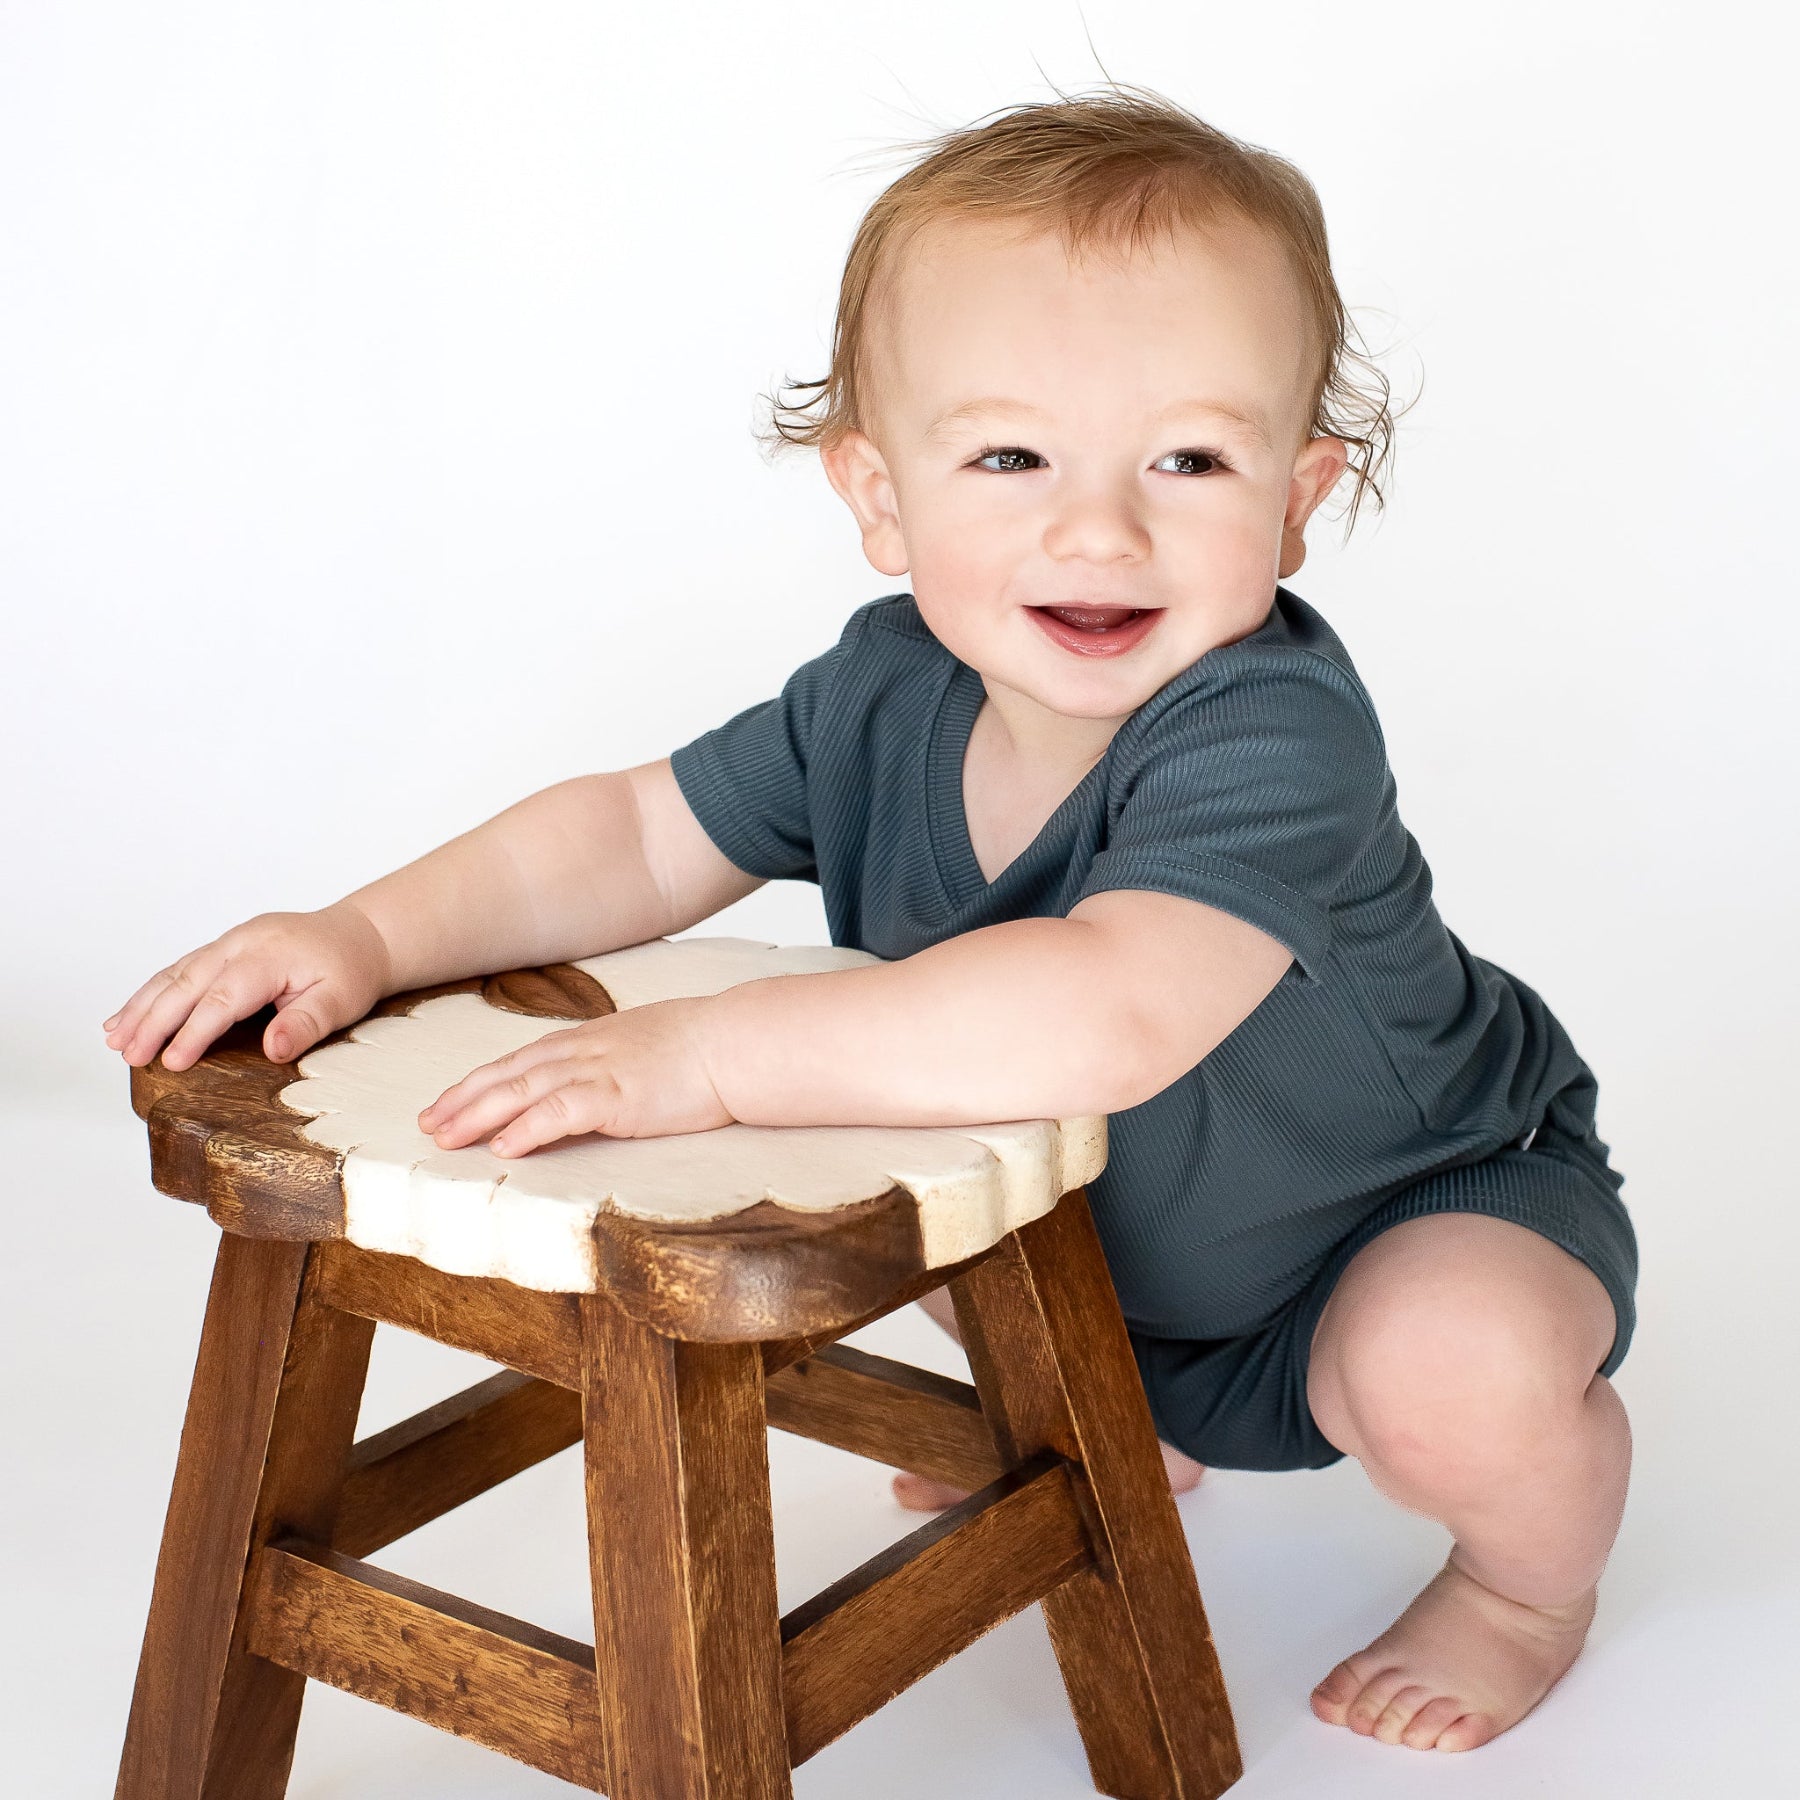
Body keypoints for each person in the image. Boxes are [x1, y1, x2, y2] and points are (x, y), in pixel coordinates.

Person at [102, 86, 1636, 1757]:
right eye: (1010, 457)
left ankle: (1523, 1591)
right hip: (1106, 1265)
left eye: (1190, 459)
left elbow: (1112, 1009)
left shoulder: (1271, 731)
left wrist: (706, 1058)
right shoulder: (881, 694)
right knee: (883, 1139)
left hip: (1416, 1206)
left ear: (1296, 496)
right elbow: (635, 832)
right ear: (880, 496)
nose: (1100, 527)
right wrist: (365, 935)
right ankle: (1120, 1420)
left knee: (1448, 1368)